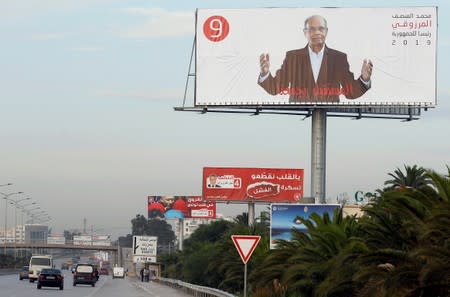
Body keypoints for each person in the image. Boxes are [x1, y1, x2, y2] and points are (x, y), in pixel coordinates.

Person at [258, 15, 373, 103]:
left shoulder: (339, 58)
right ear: (305, 33)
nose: (317, 33)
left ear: (326, 31)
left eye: (321, 29)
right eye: (312, 29)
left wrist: (364, 78)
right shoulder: (292, 57)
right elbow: (276, 88)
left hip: (329, 116)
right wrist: (265, 73)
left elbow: (350, 92)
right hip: (298, 116)